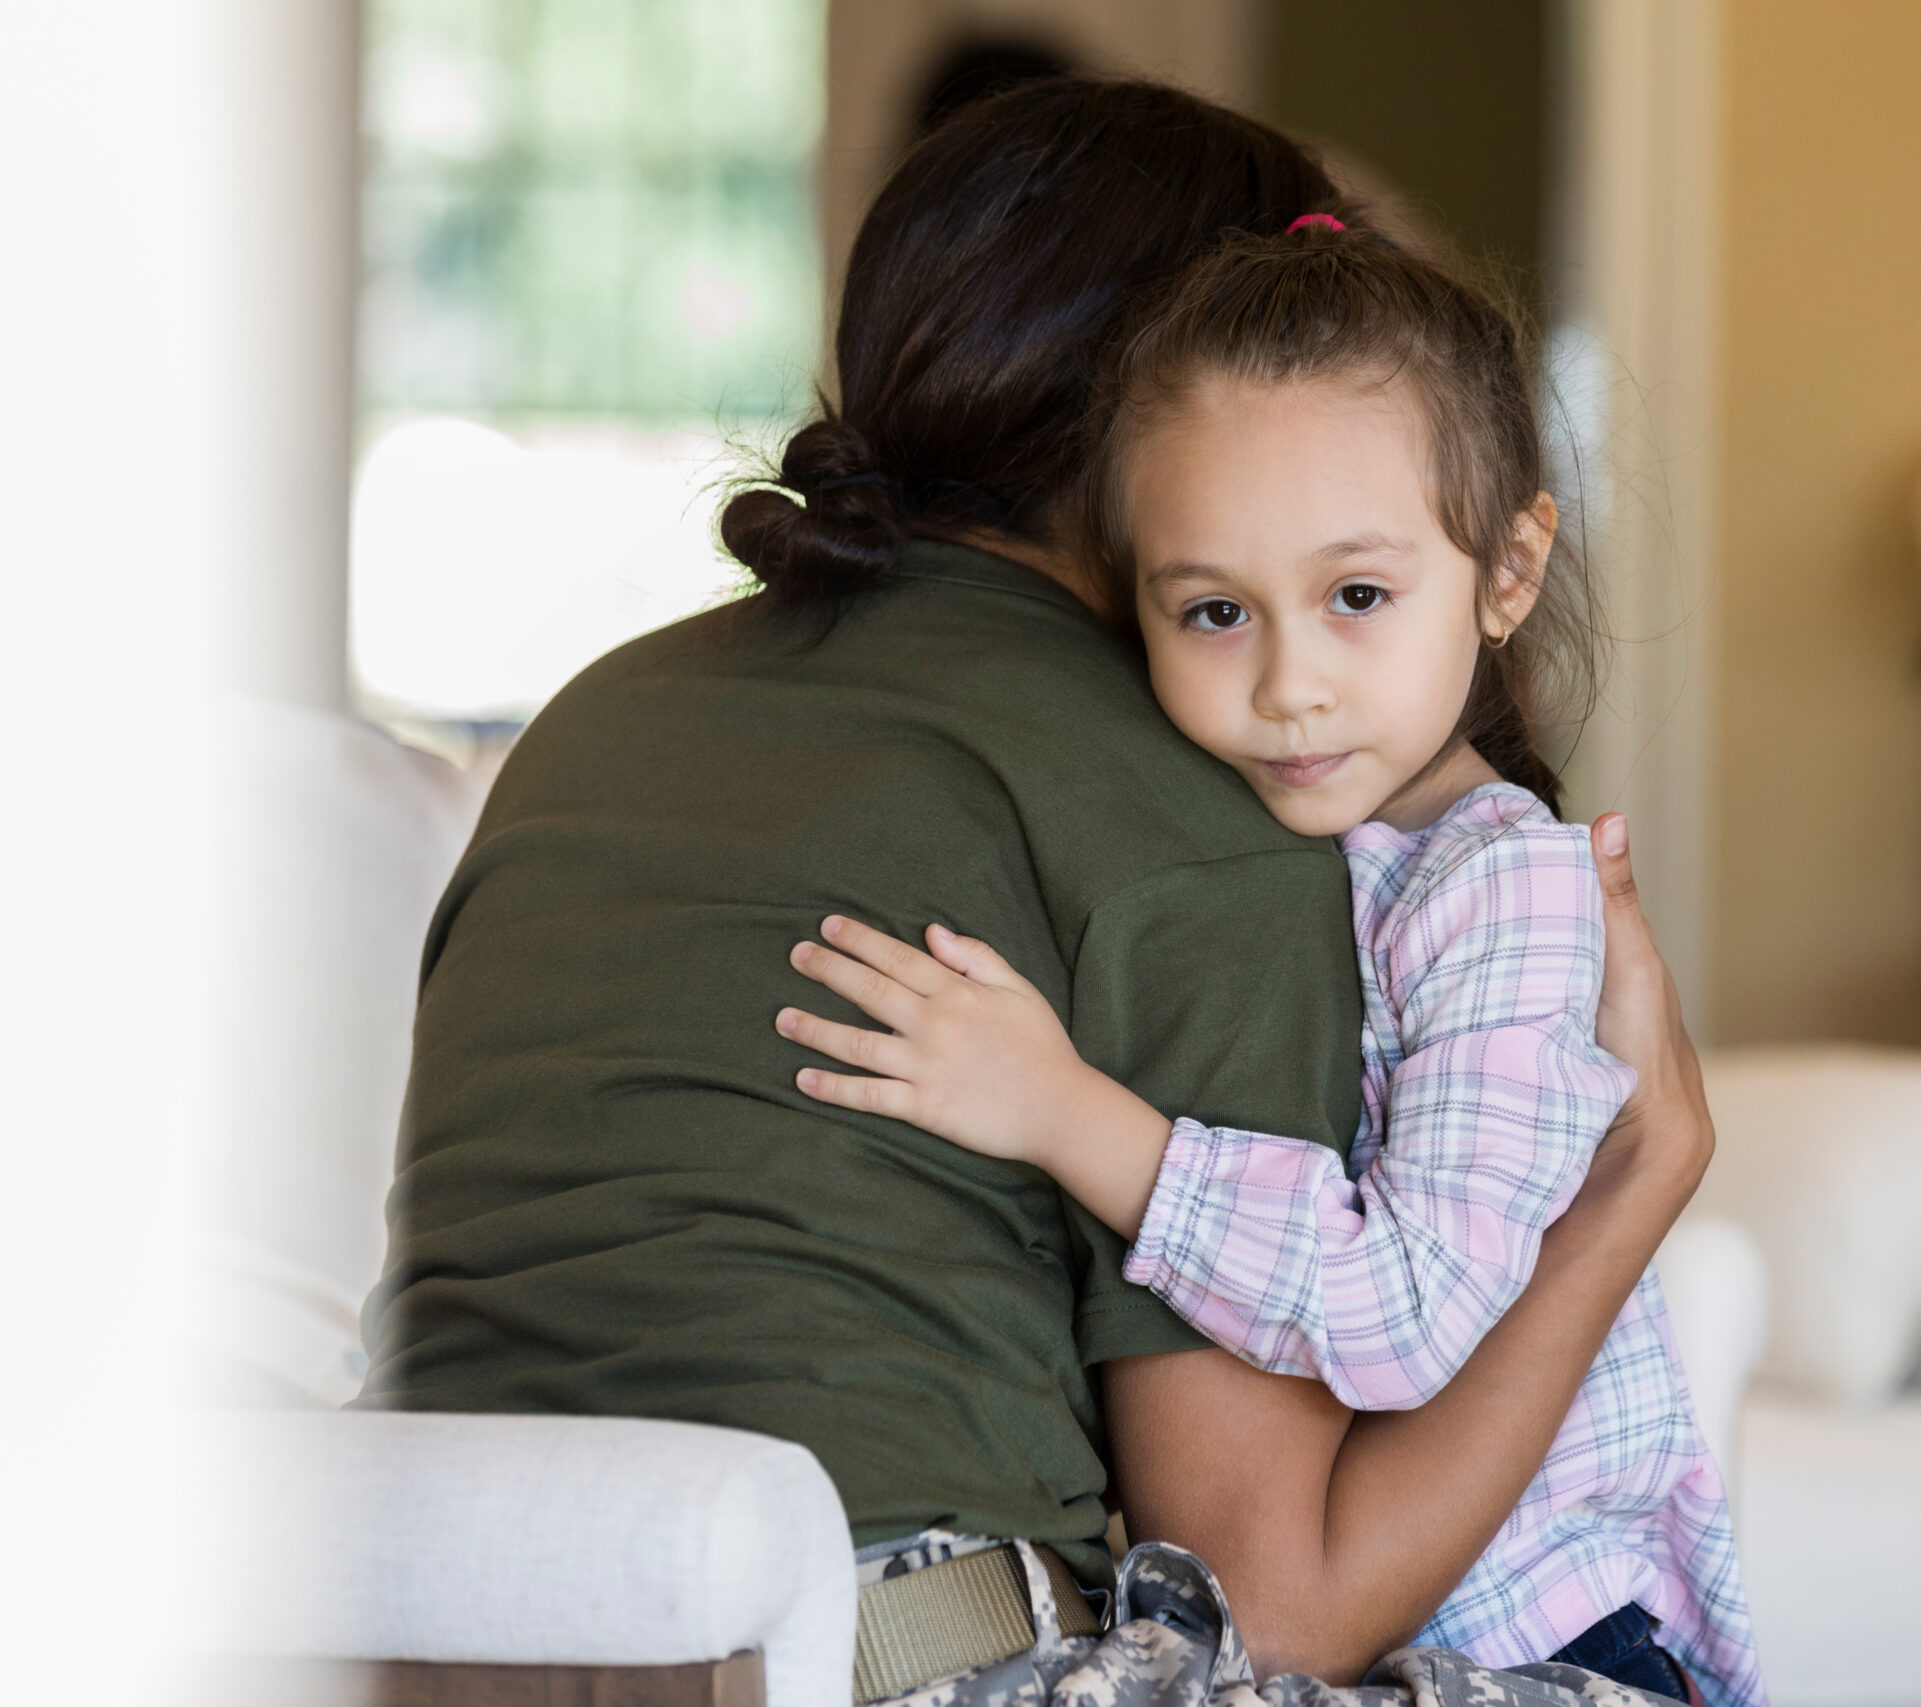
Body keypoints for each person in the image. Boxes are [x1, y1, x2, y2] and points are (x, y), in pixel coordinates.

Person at [360, 77, 1719, 1706]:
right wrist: (1636, 1182)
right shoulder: (1193, 814)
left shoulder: (595, 719)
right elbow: (1282, 1608)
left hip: (418, 1648)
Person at [774, 226, 1760, 1706]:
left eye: (1358, 596)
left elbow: (1411, 1318)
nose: (1288, 685)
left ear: (1509, 569)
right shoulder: (1295, 845)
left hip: (1553, 1647)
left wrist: (1062, 1114)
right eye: (1215, 611)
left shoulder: (1501, 891)